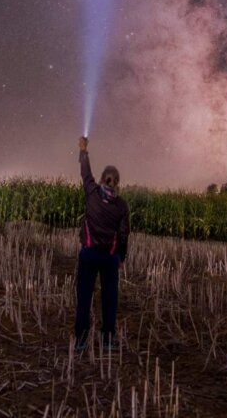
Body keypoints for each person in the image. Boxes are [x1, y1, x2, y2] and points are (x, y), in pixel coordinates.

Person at [74, 135, 130, 351]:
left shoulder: (92, 192)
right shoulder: (122, 205)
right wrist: (121, 258)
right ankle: (107, 339)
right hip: (109, 258)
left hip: (88, 254)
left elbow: (84, 171)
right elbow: (123, 234)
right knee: (109, 299)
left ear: (102, 179)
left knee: (84, 298)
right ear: (117, 182)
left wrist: (83, 150)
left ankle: (80, 341)